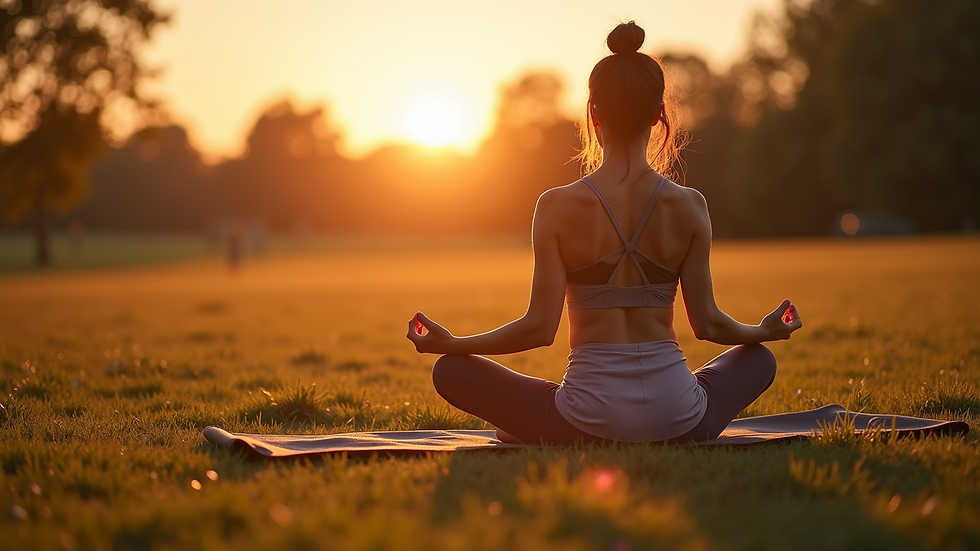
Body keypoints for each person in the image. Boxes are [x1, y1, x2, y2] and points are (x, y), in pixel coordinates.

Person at [406, 21, 802, 445]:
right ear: (657, 115)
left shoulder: (555, 206)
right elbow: (707, 324)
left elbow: (538, 329)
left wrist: (454, 342)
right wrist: (764, 332)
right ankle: (666, 423)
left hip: (583, 422)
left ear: (594, 113)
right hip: (682, 417)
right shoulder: (690, 205)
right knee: (759, 359)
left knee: (450, 368)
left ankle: (546, 428)